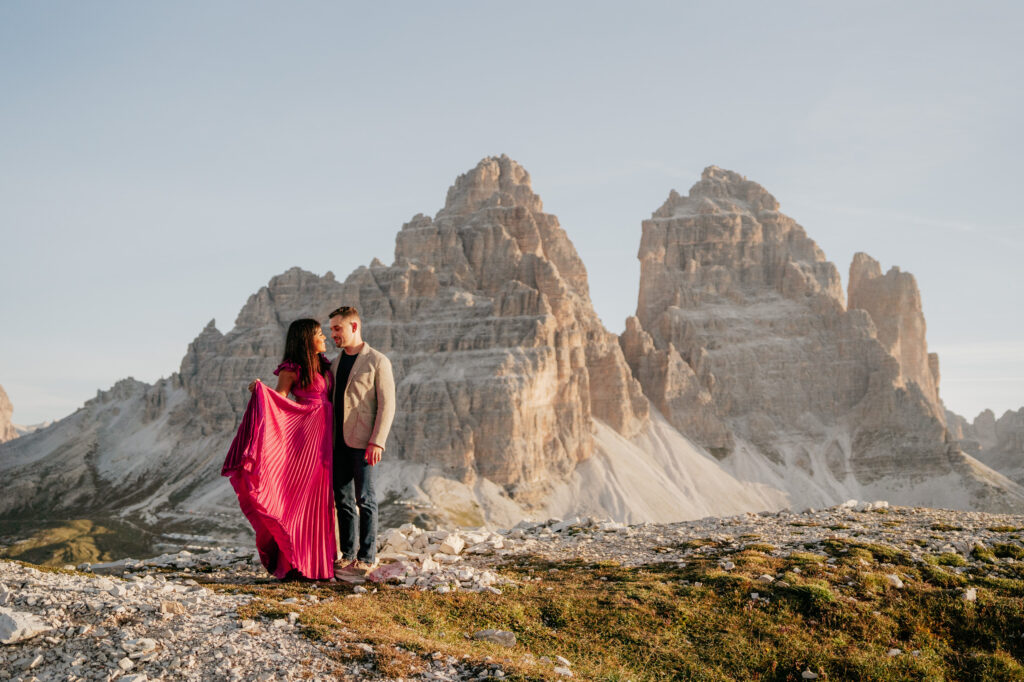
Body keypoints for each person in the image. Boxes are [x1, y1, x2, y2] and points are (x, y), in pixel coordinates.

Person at [221, 319, 336, 580]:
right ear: (307, 339)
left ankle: (319, 565)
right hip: (303, 439)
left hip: (323, 442)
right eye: (319, 334)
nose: (324, 338)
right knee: (300, 502)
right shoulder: (291, 369)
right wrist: (260, 390)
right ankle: (295, 564)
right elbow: (278, 400)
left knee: (319, 502)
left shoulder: (323, 366)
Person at [328, 305, 395, 577]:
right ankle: (347, 554)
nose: (332, 334)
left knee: (365, 498)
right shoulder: (333, 363)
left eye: (337, 328)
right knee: (342, 500)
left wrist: (377, 441)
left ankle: (367, 557)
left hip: (364, 442)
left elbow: (387, 405)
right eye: (331, 329)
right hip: (336, 443)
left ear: (354, 326)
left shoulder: (378, 361)